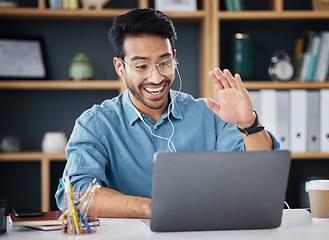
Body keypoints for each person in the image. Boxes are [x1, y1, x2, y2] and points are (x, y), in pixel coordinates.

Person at [55, 8, 280, 218]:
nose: (156, 78)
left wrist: (247, 122)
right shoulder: (95, 124)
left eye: (164, 62)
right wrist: (152, 207)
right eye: (141, 66)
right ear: (120, 67)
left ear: (174, 57)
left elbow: (257, 176)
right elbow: (74, 195)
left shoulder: (210, 115)